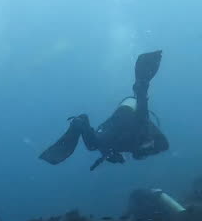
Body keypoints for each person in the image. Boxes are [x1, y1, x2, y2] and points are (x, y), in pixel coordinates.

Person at [39, 50, 170, 171]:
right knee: (141, 125)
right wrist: (142, 148)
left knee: (94, 144)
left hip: (115, 122)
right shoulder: (147, 136)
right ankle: (141, 86)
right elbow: (163, 144)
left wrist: (110, 155)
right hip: (127, 118)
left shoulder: (123, 146)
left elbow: (108, 141)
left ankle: (80, 122)